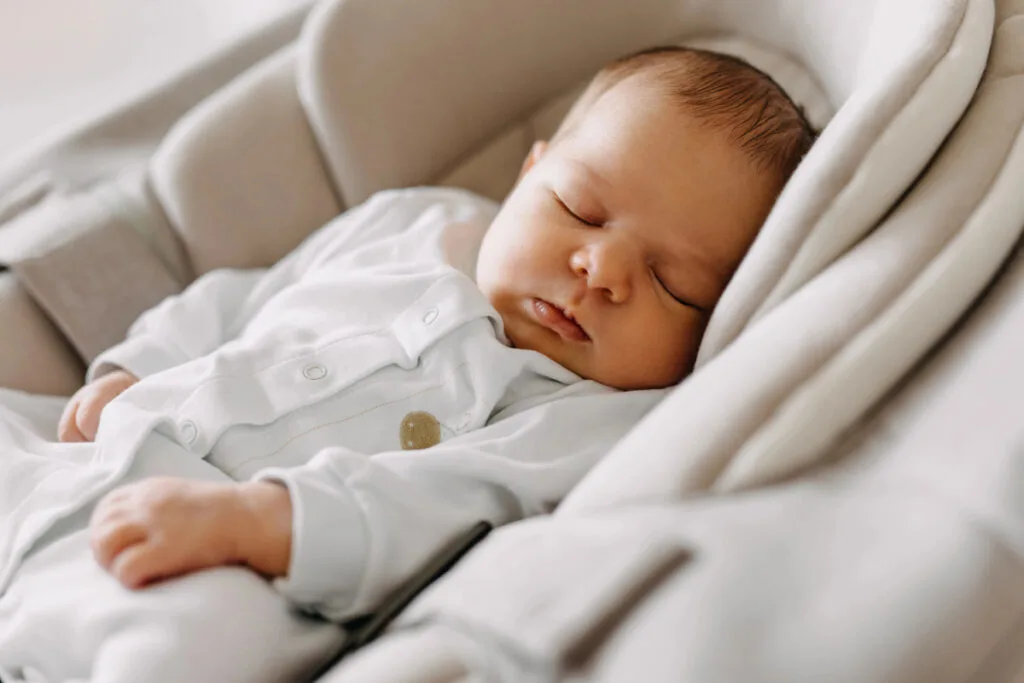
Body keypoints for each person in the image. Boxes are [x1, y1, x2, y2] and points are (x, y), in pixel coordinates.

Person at [0, 46, 814, 681]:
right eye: (579, 208)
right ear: (529, 175)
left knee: (206, 651)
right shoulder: (420, 221)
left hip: (221, 559)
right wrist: (136, 367)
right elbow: (242, 300)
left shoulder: (596, 420)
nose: (601, 269)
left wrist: (261, 524)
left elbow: (445, 508)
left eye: (676, 285)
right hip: (78, 452)